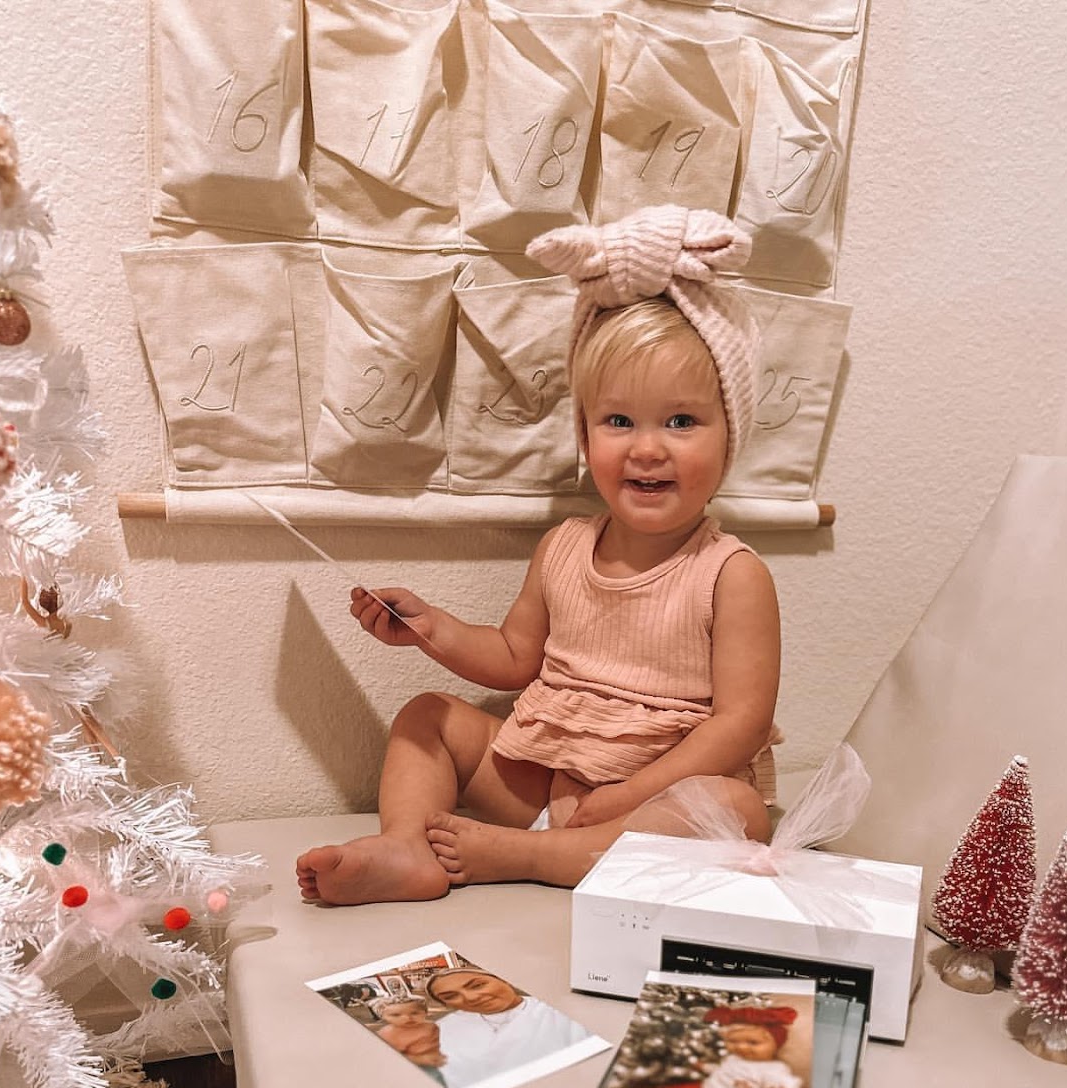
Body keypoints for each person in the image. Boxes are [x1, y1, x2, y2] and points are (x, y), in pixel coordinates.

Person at [295, 203, 778, 906]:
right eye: (619, 421)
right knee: (428, 717)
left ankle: (538, 857)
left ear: (729, 435)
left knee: (737, 810)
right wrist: (434, 630)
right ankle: (407, 847)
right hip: (545, 775)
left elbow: (741, 726)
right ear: (585, 436)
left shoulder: (732, 575)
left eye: (681, 421)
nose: (647, 447)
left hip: (649, 801)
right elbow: (515, 657)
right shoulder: (565, 546)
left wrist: (629, 794)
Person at [639, 1004, 809, 1088]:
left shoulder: (773, 1072)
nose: (741, 1047)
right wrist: (705, 1067)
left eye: (753, 1042)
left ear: (776, 1044)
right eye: (733, 1041)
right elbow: (726, 1072)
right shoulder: (735, 1058)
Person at [425, 967, 589, 1088]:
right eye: (450, 996)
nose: (471, 998)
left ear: (504, 979)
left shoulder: (559, 1013)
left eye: (477, 985)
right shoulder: (442, 1029)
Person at [366, 997, 447, 1073]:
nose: (407, 1018)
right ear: (383, 1017)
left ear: (425, 1012)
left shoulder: (431, 1026)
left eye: (414, 1013)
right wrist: (419, 1059)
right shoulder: (387, 1034)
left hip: (438, 1060)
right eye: (396, 1015)